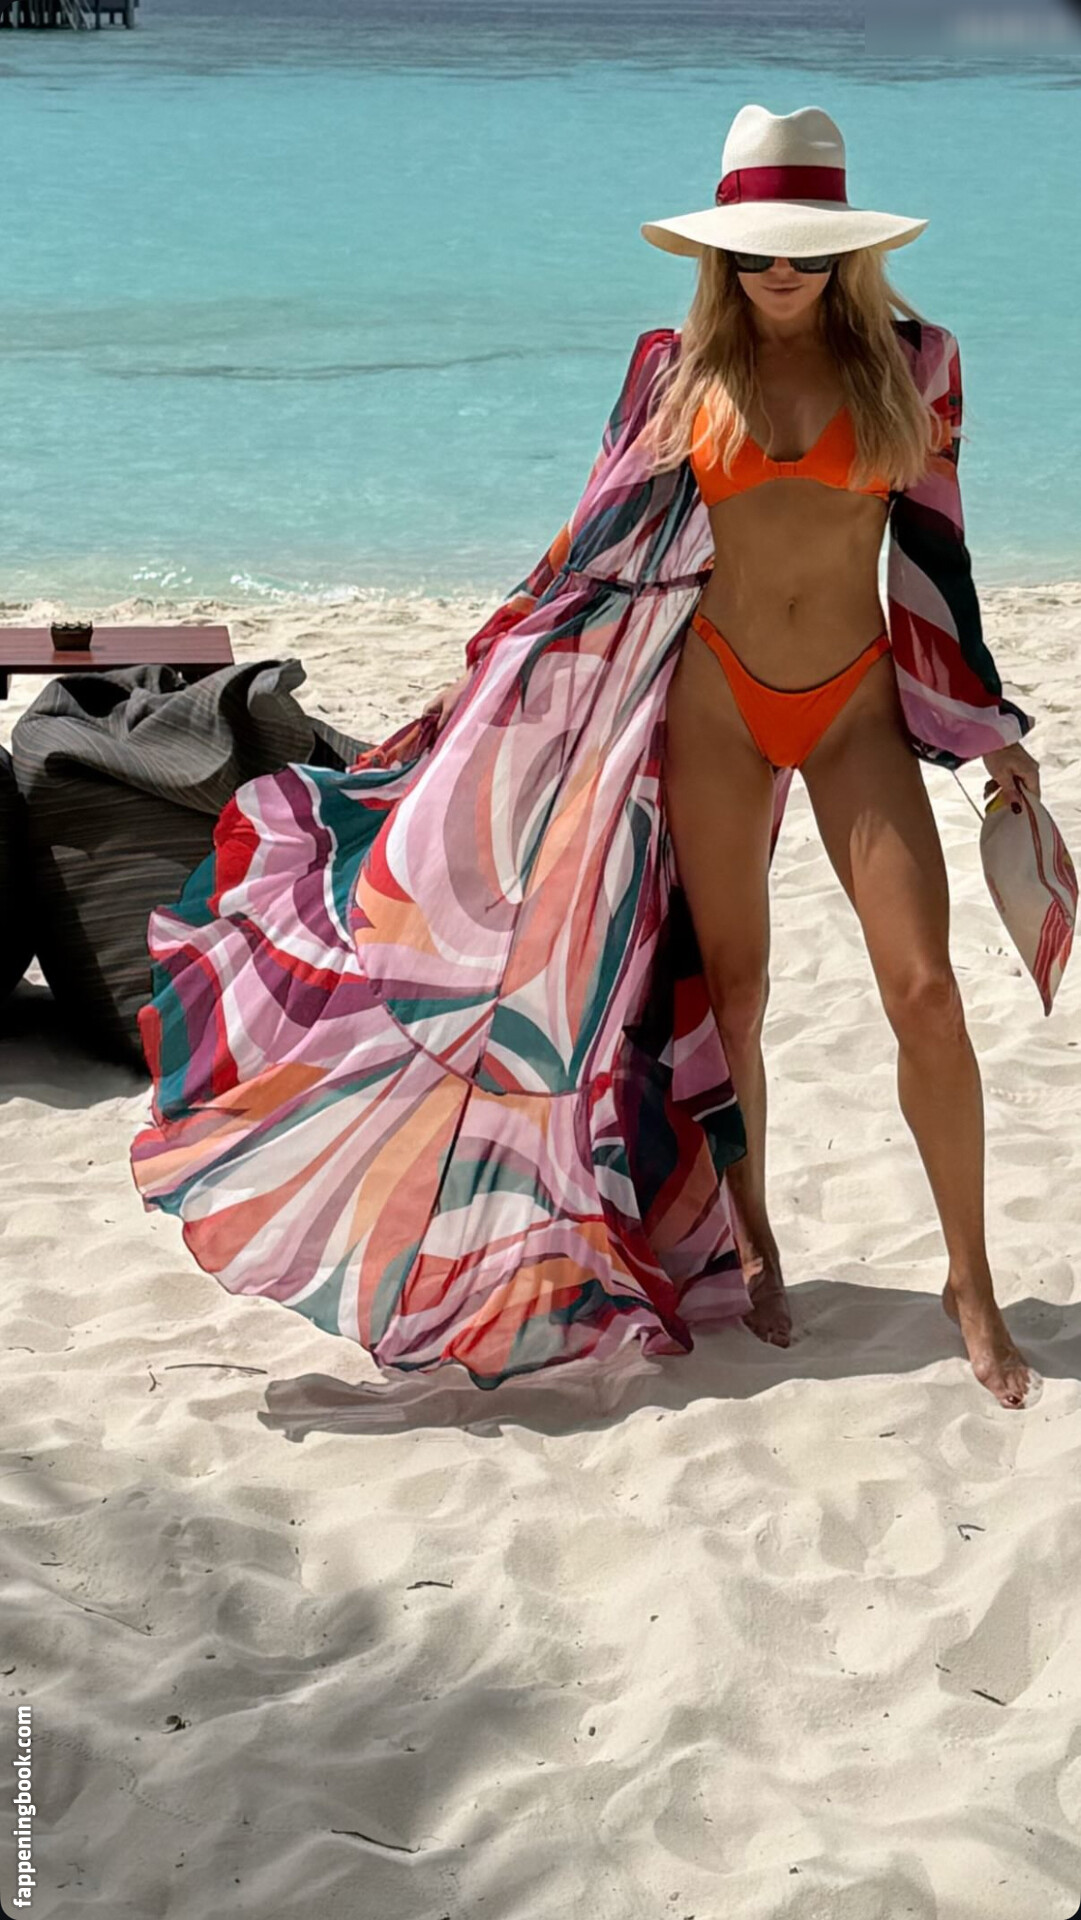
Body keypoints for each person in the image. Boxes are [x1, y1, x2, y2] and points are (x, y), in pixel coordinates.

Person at [130, 103, 1039, 1408]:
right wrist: (485, 672)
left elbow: (937, 554)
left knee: (926, 992)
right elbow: (590, 545)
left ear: (848, 252)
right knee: (732, 997)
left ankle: (970, 1283)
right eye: (756, 250)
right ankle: (754, 1242)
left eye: (806, 248)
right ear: (721, 254)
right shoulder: (673, 367)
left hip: (852, 709)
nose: (781, 270)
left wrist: (989, 733)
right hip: (714, 705)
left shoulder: (920, 362)